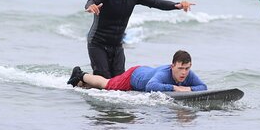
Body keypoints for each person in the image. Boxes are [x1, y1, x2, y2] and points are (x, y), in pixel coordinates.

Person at [84, 0, 195, 79]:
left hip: (117, 45)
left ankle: (85, 81)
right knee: (104, 78)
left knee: (119, 81)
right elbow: (91, 1)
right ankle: (80, 77)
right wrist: (90, 6)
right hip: (98, 43)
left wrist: (177, 5)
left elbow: (156, 2)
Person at [67, 50, 207, 92]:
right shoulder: (165, 73)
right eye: (180, 68)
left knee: (104, 86)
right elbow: (150, 86)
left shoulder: (189, 74)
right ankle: (81, 75)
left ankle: (83, 85)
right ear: (172, 66)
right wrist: (176, 88)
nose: (183, 72)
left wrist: (188, 90)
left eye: (187, 68)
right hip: (134, 76)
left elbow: (203, 87)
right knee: (107, 84)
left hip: (146, 71)